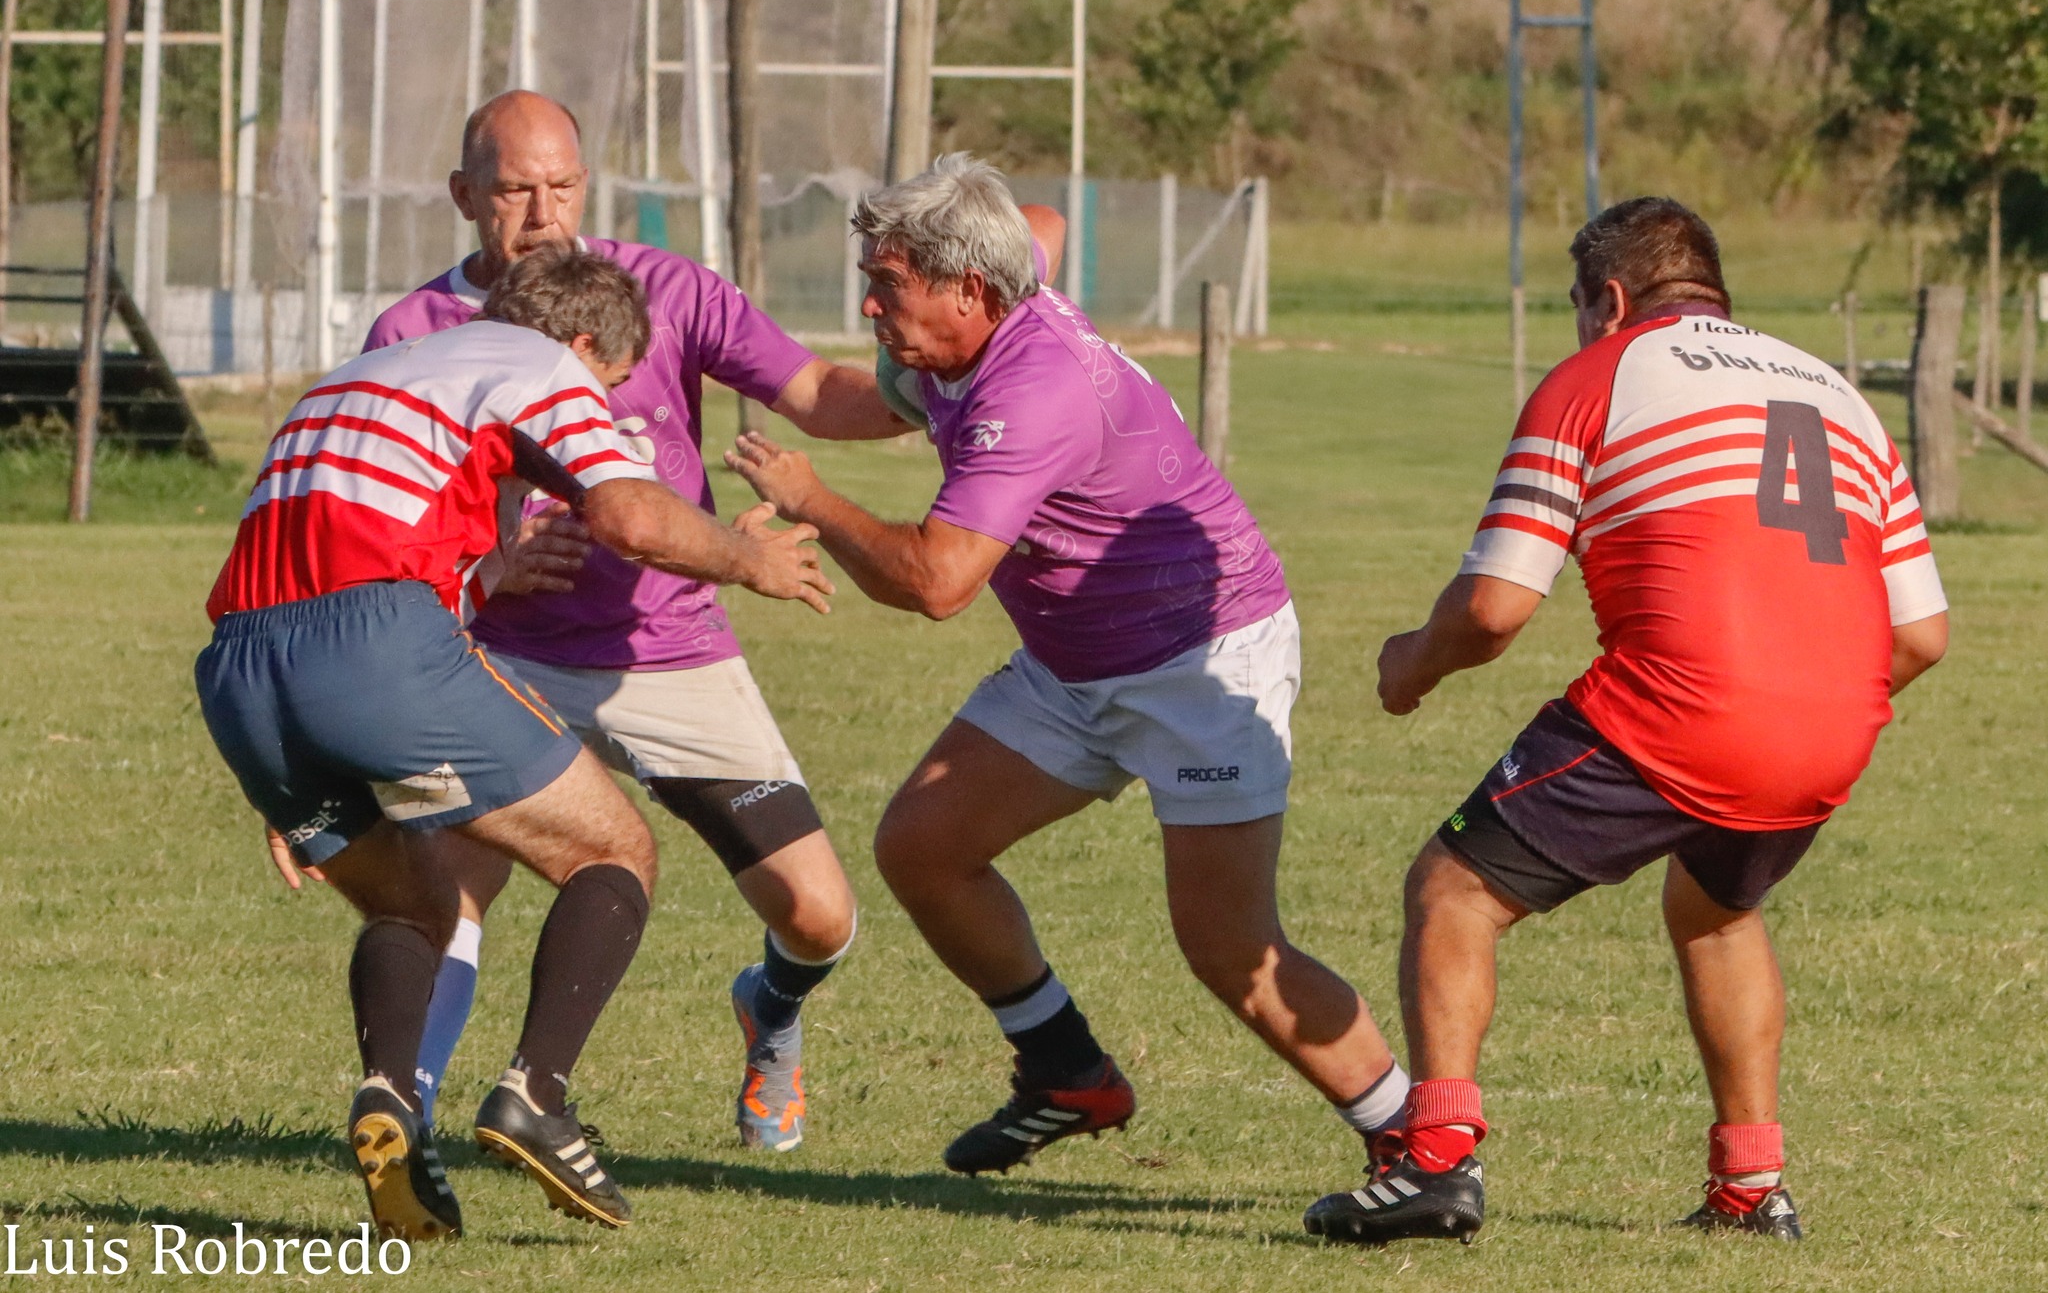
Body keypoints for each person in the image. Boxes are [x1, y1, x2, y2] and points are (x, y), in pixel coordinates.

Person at [725, 153, 1412, 1177]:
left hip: (1202, 657)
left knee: (1231, 947)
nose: (868, 307)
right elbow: (1036, 221)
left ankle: (1417, 1143)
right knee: (923, 845)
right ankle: (1066, 1070)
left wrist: (811, 500)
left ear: (970, 289)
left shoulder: (1030, 391)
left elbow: (937, 582)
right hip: (1077, 654)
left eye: (888, 284)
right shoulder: (999, 284)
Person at [1301, 198, 1948, 1246]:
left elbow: (1494, 607)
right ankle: (1751, 1188)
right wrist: (1806, 699)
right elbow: (1919, 635)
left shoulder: (1596, 376)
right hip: (1833, 724)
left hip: (1680, 709)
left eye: (1575, 307)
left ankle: (1434, 1163)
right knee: (1716, 913)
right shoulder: (1837, 393)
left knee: (1452, 890)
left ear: (1608, 298)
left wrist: (1407, 665)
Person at [198, 248, 832, 1238]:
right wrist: (748, 559)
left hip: (243, 677)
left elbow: (320, 563)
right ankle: (536, 1094)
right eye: (611, 386)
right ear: (582, 346)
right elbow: (629, 514)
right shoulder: (540, 363)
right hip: (377, 647)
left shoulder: (358, 380)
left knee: (414, 901)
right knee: (613, 850)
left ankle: (390, 1099)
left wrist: (291, 772)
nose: (604, 409)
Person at [359, 90, 896, 1152]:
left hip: (670, 651)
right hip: (497, 660)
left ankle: (770, 1010)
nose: (542, 214)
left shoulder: (666, 291)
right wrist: (493, 569)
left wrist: (952, 379)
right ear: (465, 195)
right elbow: (383, 529)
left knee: (818, 916)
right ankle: (406, 1116)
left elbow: (814, 388)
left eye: (562, 186)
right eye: (515, 190)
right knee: (447, 889)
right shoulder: (412, 334)